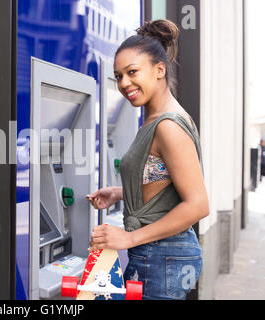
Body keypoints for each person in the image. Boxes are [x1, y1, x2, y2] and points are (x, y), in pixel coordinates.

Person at [86, 19, 209, 300]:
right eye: (118, 76)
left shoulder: (168, 125)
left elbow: (198, 204)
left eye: (132, 72)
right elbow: (161, 178)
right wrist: (120, 193)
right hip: (158, 253)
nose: (124, 83)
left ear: (159, 70)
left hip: (162, 253)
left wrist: (128, 238)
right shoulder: (154, 119)